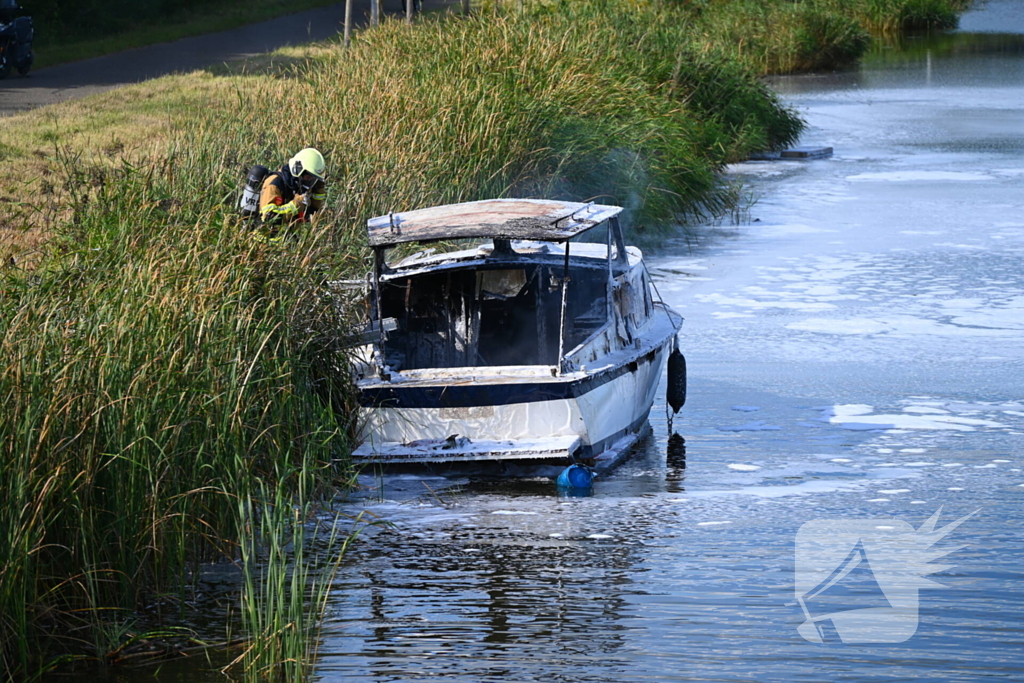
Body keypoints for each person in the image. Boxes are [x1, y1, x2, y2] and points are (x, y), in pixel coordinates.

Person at [257, 147, 327, 239]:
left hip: (288, 244)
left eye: (313, 178)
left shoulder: (298, 184)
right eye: (308, 177)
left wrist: (319, 190)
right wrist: (296, 205)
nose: (310, 181)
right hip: (266, 243)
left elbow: (312, 212)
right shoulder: (274, 184)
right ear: (298, 169)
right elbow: (269, 218)